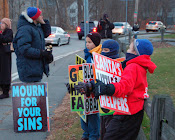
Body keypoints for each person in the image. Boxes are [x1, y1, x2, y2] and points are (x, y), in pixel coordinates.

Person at [94, 39, 157, 140]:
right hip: (134, 111)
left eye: (130, 48)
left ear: (135, 52)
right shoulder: (139, 66)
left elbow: (125, 87)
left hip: (126, 112)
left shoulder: (133, 67)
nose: (127, 50)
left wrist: (107, 88)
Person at [75, 39, 121, 140]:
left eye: (106, 50)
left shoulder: (118, 65)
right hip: (103, 105)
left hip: (115, 105)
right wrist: (89, 85)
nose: (104, 52)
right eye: (102, 50)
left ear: (113, 51)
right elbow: (97, 79)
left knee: (111, 131)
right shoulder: (101, 64)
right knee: (104, 128)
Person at [13, 7, 53, 83]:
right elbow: (24, 49)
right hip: (28, 70)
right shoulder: (25, 29)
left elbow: (46, 33)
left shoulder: (36, 28)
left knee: (37, 94)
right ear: (34, 17)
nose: (42, 16)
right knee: (31, 94)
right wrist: (42, 53)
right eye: (40, 15)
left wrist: (45, 23)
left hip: (35, 69)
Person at [0, 18, 13, 99]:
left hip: (5, 54)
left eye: (2, 23)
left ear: (6, 25)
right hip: (1, 54)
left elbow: (5, 39)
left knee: (5, 72)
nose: (1, 25)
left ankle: (6, 91)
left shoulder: (9, 32)